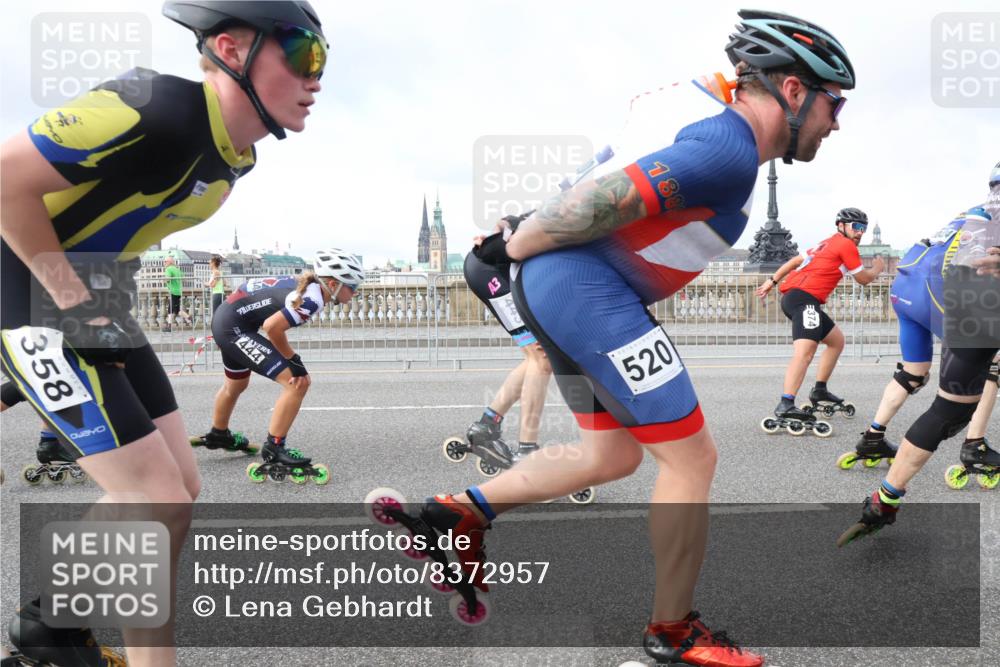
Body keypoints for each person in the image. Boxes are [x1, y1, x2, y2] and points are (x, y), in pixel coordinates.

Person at [373, 9, 855, 666]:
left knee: (612, 455)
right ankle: (673, 632)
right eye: (835, 102)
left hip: (563, 294)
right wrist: (520, 236)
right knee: (692, 459)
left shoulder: (705, 106)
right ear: (794, 91)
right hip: (587, 293)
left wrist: (519, 242)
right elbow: (599, 200)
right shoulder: (730, 149)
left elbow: (619, 158)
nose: (837, 122)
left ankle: (459, 511)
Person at [0, 2, 327, 664]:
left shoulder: (240, 157)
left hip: (93, 299)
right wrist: (69, 296)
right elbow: (5, 181)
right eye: (302, 54)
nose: (316, 77)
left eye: (323, 61)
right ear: (232, 50)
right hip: (30, 290)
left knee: (180, 486)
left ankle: (54, 626)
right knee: (154, 498)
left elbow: (119, 220)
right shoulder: (154, 106)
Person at [839, 173, 1000, 546]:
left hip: (911, 286)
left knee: (931, 393)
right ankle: (974, 444)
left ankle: (883, 490)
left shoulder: (973, 212)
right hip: (967, 292)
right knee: (983, 374)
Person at [195, 249, 363, 483]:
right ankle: (274, 447)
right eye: (352, 287)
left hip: (229, 319)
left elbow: (253, 297)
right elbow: (272, 327)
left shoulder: (309, 287)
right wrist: (294, 360)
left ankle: (219, 433)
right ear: (333, 283)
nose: (355, 293)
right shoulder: (312, 298)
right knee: (298, 383)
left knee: (236, 384)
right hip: (233, 327)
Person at [755, 208, 884, 434]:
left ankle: (820, 390)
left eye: (863, 228)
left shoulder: (826, 243)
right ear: (841, 226)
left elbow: (794, 261)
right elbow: (863, 279)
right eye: (856, 227)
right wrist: (877, 269)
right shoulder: (845, 246)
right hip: (803, 300)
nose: (860, 233)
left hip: (800, 299)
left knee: (836, 341)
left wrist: (771, 281)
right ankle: (786, 403)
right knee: (805, 352)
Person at [163, 255, 191, 332]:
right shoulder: (177, 269)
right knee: (175, 310)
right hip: (178, 291)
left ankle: (169, 327)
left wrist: (164, 280)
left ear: (170, 262)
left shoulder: (168, 269)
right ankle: (188, 317)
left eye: (165, 261)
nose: (164, 263)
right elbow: (185, 279)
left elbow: (168, 279)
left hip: (173, 292)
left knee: (171, 310)